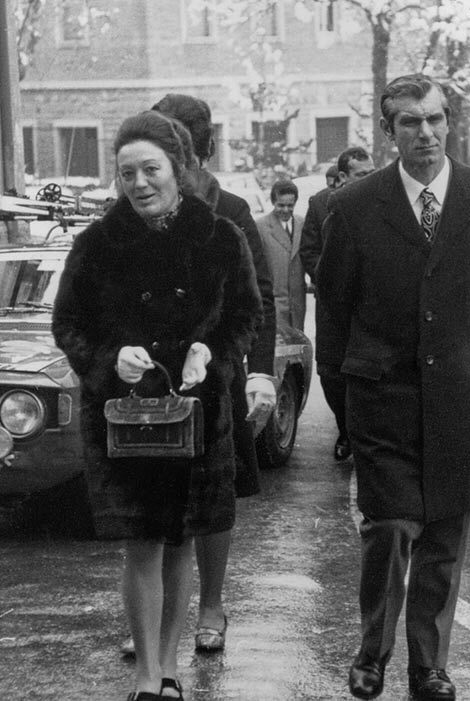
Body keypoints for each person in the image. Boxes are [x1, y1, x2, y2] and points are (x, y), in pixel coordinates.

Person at [317, 74, 470, 701]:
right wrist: (347, 400)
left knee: (445, 534)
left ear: (448, 122)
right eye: (410, 121)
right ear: (389, 132)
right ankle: (372, 651)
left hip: (463, 392)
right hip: (384, 396)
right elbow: (335, 308)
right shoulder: (353, 206)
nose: (425, 133)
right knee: (390, 527)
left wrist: (463, 354)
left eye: (435, 119)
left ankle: (429, 665)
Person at [52, 111, 263, 701]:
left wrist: (210, 353)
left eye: (151, 169)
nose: (139, 183)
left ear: (179, 167)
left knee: (181, 542)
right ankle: (148, 676)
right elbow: (67, 324)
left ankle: (169, 667)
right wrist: (108, 360)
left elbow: (246, 316)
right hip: (123, 419)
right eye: (127, 174)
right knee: (142, 543)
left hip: (197, 415)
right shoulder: (96, 245)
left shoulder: (221, 237)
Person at [151, 93, 277, 655]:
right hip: (151, 379)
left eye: (176, 142)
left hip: (215, 376)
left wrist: (260, 374)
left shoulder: (232, 209)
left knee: (214, 496)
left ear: (200, 148)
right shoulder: (135, 205)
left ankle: (211, 606)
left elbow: (260, 298)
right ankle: (157, 615)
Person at [299, 145, 375, 461]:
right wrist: (332, 280)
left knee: (369, 373)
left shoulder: (383, 202)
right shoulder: (320, 204)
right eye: (361, 174)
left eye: (371, 173)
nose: (368, 179)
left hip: (371, 307)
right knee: (331, 373)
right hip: (332, 307)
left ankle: (365, 436)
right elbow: (309, 251)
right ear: (342, 176)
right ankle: (345, 429)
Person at [257, 180, 307, 331]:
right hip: (273, 303)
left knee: (297, 343)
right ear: (273, 202)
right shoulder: (261, 226)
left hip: (298, 304)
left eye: (290, 205)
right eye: (281, 205)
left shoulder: (303, 223)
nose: (286, 210)